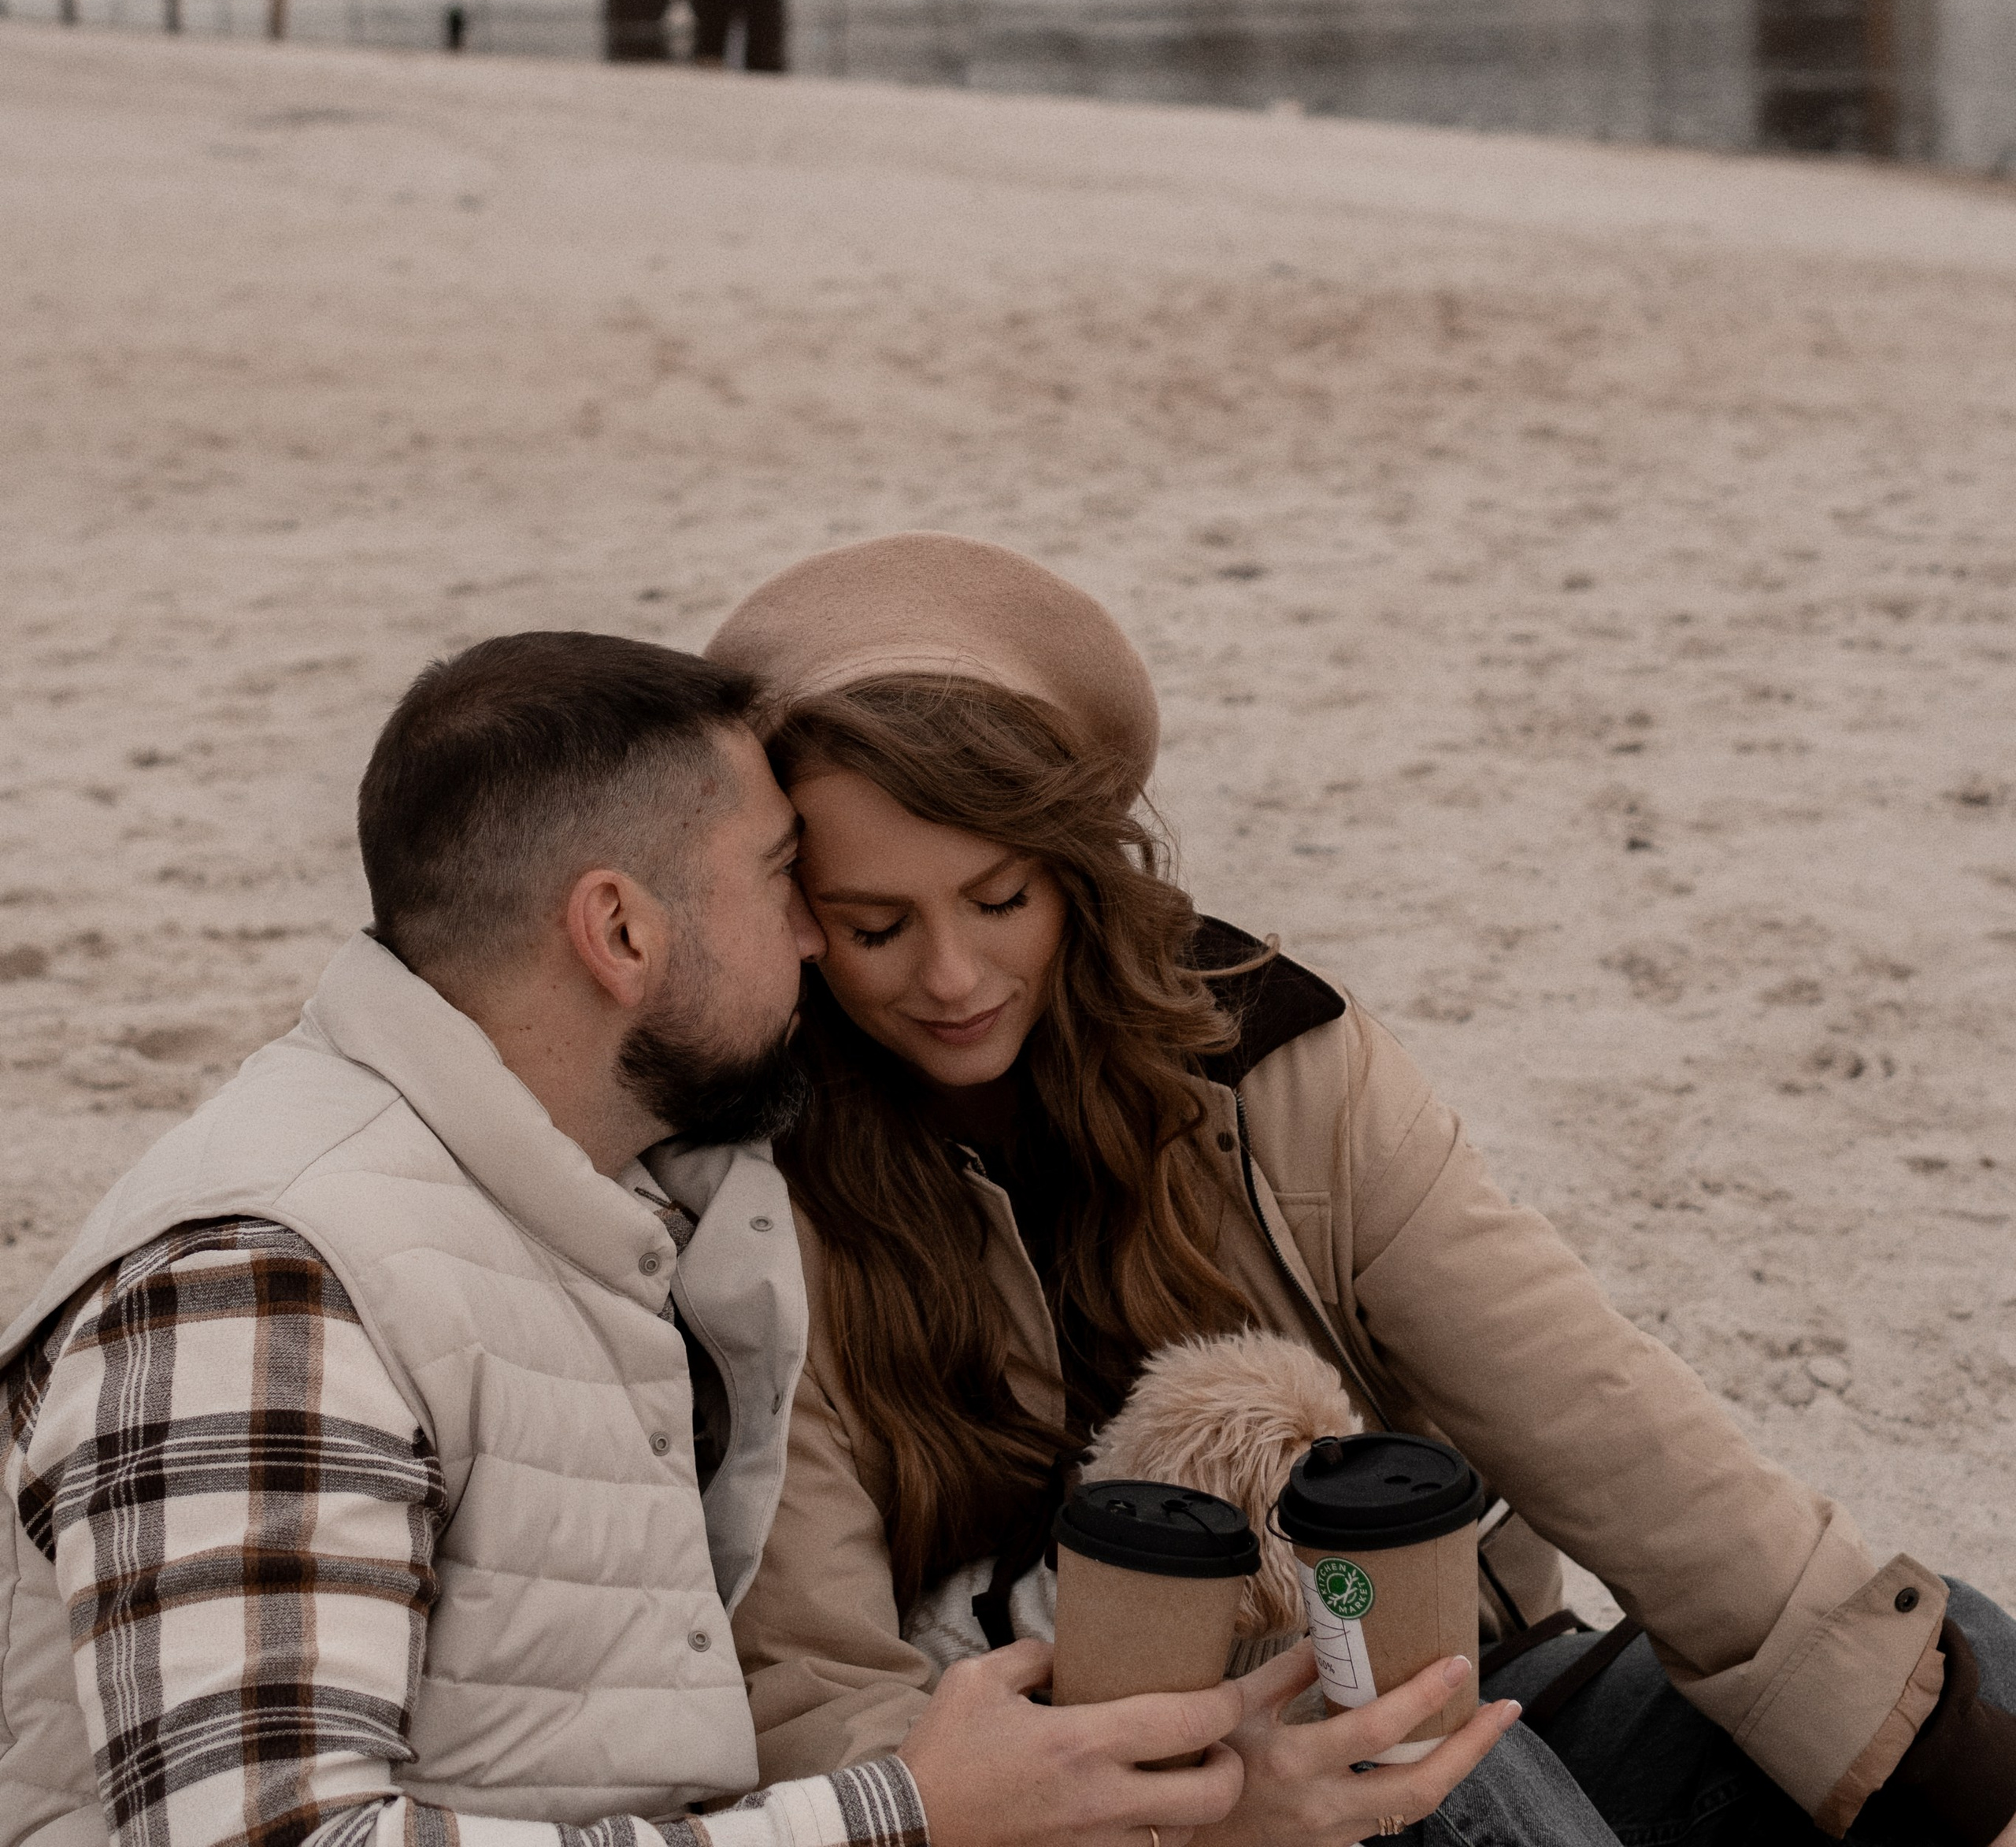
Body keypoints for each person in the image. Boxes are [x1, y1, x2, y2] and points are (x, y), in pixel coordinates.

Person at [708, 535, 2016, 1847]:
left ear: (1077, 869)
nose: (951, 977)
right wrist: (1207, 1820)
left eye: (999, 899)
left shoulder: (1276, 1062)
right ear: (797, 919)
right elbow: (824, 1696)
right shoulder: (757, 1192)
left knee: (1940, 1661)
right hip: (1064, 1815)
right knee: (1436, 1769)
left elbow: (1606, 1423)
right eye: (877, 927)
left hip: (1446, 1694)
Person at [1, 629, 1317, 1847]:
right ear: (622, 931)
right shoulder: (260, 1287)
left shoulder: (598, 1212)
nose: (814, 937)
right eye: (779, 880)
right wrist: (898, 1817)